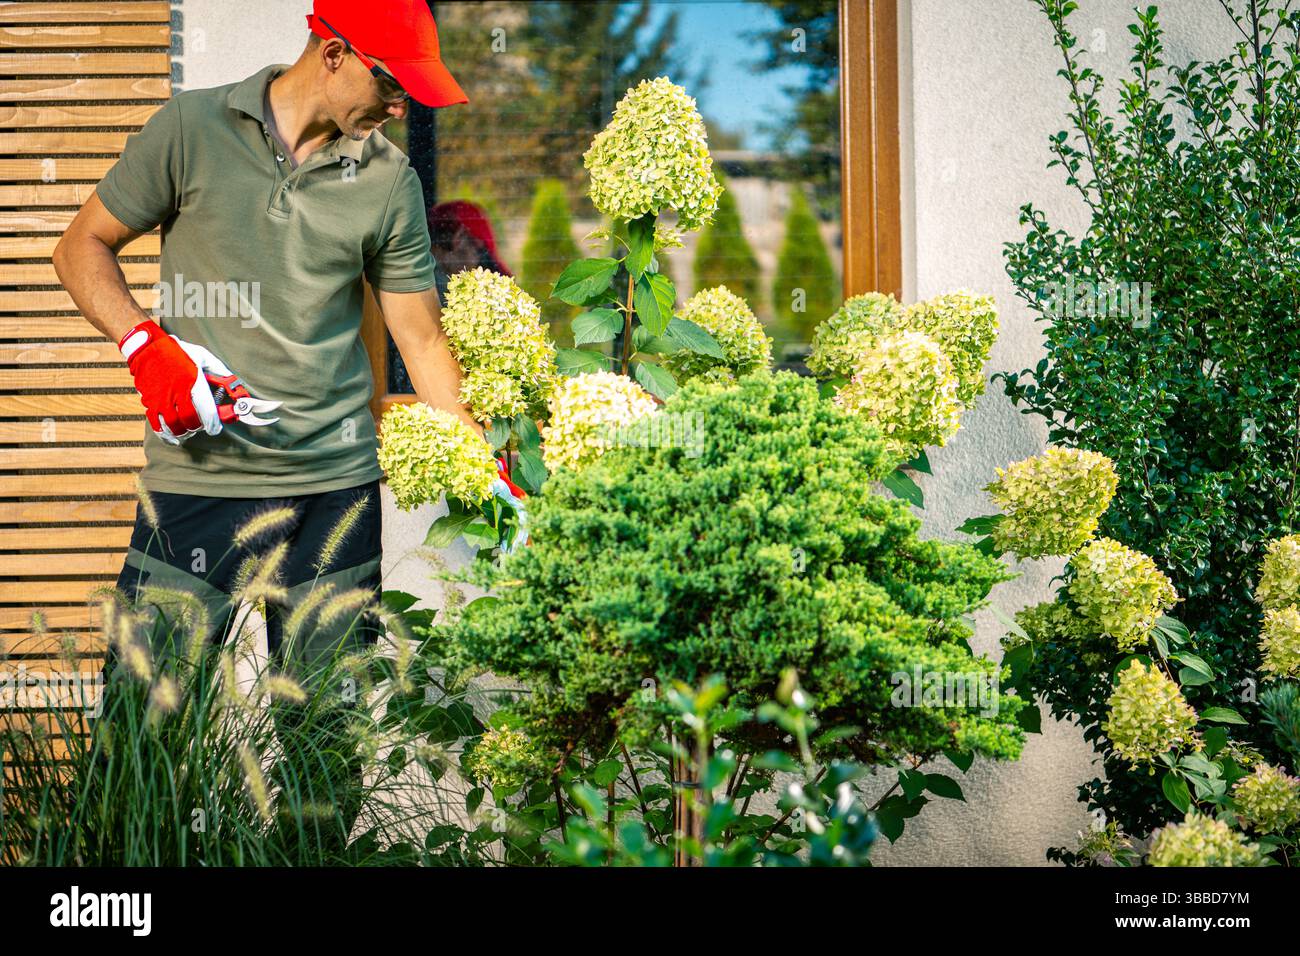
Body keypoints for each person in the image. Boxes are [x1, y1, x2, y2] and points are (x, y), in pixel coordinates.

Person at [52, 0, 475, 859]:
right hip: (196, 488)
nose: (401, 109)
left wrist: (478, 455)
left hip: (334, 497)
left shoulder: (388, 178)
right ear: (335, 51)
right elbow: (80, 246)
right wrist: (142, 344)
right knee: (139, 734)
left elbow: (421, 339)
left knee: (326, 751)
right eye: (392, 86)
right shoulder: (190, 130)